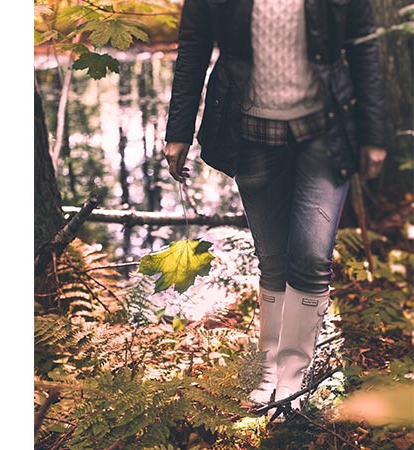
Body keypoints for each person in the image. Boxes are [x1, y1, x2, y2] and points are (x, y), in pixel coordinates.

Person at [163, 0, 386, 414]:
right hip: (250, 131)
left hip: (326, 130)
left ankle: (292, 379)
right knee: (274, 259)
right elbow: (193, 48)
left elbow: (363, 47)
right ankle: (268, 371)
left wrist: (374, 132)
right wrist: (178, 130)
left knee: (312, 257)